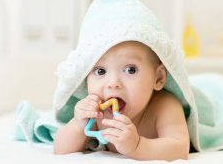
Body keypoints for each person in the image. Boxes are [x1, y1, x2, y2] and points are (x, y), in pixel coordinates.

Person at [53, 40, 190, 160]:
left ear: (158, 77)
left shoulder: (165, 106)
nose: (113, 83)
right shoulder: (96, 113)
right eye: (100, 71)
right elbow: (60, 150)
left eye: (130, 70)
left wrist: (137, 146)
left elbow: (180, 148)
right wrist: (78, 125)